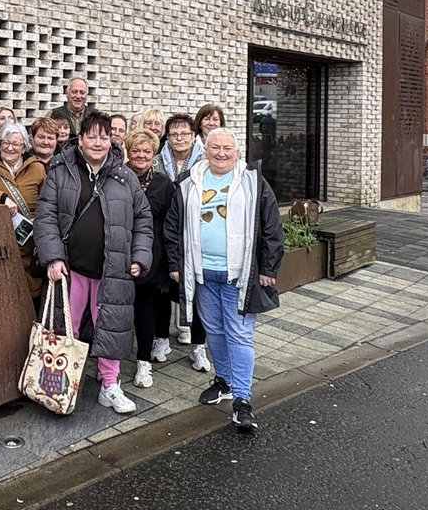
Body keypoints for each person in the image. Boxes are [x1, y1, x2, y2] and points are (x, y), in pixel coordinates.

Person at [164, 128, 284, 432]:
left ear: (237, 151)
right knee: (215, 332)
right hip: (203, 274)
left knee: (239, 335)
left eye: (227, 148)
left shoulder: (253, 181)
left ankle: (242, 400)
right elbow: (173, 226)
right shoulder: (189, 181)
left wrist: (268, 268)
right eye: (215, 147)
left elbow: (272, 226)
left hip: (239, 276)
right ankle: (224, 381)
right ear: (205, 150)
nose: (221, 153)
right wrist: (176, 263)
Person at [34, 112, 152, 414]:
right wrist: (52, 257)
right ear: (81, 140)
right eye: (92, 136)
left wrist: (140, 257)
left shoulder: (125, 176)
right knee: (65, 328)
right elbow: (45, 216)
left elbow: (143, 218)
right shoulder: (61, 170)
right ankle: (56, 386)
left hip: (112, 271)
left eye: (103, 137)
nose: (98, 143)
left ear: (111, 140)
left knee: (110, 328)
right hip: (71, 269)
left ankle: (110, 386)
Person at [0, 122, 48, 300]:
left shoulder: (37, 168)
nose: (10, 148)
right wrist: (1, 198)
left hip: (29, 242)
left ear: (24, 147)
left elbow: (48, 199)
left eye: (16, 144)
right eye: (6, 142)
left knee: (31, 294)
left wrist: (39, 219)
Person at [123, 128, 173, 389]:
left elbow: (170, 224)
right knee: (118, 313)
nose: (141, 155)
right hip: (120, 253)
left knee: (144, 311)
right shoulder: (117, 176)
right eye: (136, 151)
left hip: (151, 257)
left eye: (147, 151)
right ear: (128, 152)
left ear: (154, 154)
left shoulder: (164, 184)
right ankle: (111, 363)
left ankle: (143, 363)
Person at [156, 114, 204, 181]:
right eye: (174, 134)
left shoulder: (204, 161)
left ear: (193, 136)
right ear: (168, 138)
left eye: (184, 134)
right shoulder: (156, 162)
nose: (179, 138)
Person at [50, 77, 96, 144]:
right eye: (74, 92)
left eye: (82, 92)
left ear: (87, 95)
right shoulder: (53, 114)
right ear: (67, 93)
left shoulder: (96, 116)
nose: (78, 96)